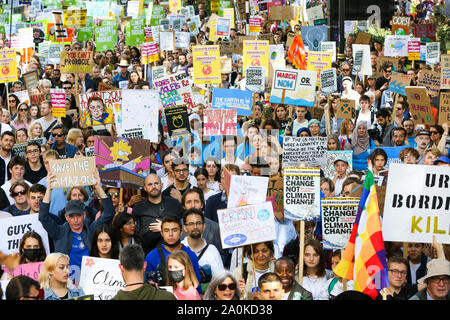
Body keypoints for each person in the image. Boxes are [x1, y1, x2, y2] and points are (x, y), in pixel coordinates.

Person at [39, 169, 114, 270]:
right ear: (66, 217)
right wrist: (49, 189)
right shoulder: (59, 232)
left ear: (84, 215)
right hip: (66, 280)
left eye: (78, 216)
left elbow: (109, 212)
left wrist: (98, 188)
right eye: (71, 216)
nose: (75, 220)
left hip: (91, 278)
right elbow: (43, 217)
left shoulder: (91, 228)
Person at [144, 215, 202, 293]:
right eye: (166, 230)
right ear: (161, 233)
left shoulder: (190, 255)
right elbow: (148, 287)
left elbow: (196, 286)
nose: (170, 234)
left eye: (174, 230)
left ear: (181, 232)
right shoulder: (151, 257)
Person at [133, 173, 184, 251]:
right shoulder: (138, 207)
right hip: (146, 252)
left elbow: (183, 225)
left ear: (162, 185)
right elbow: (135, 233)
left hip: (174, 252)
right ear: (145, 188)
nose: (154, 187)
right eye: (150, 184)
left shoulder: (174, 204)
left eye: (156, 183)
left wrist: (164, 227)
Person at [181, 209, 224, 283]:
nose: (195, 227)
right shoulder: (180, 249)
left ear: (204, 226)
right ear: (185, 228)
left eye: (198, 223)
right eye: (191, 224)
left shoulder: (212, 250)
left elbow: (221, 279)